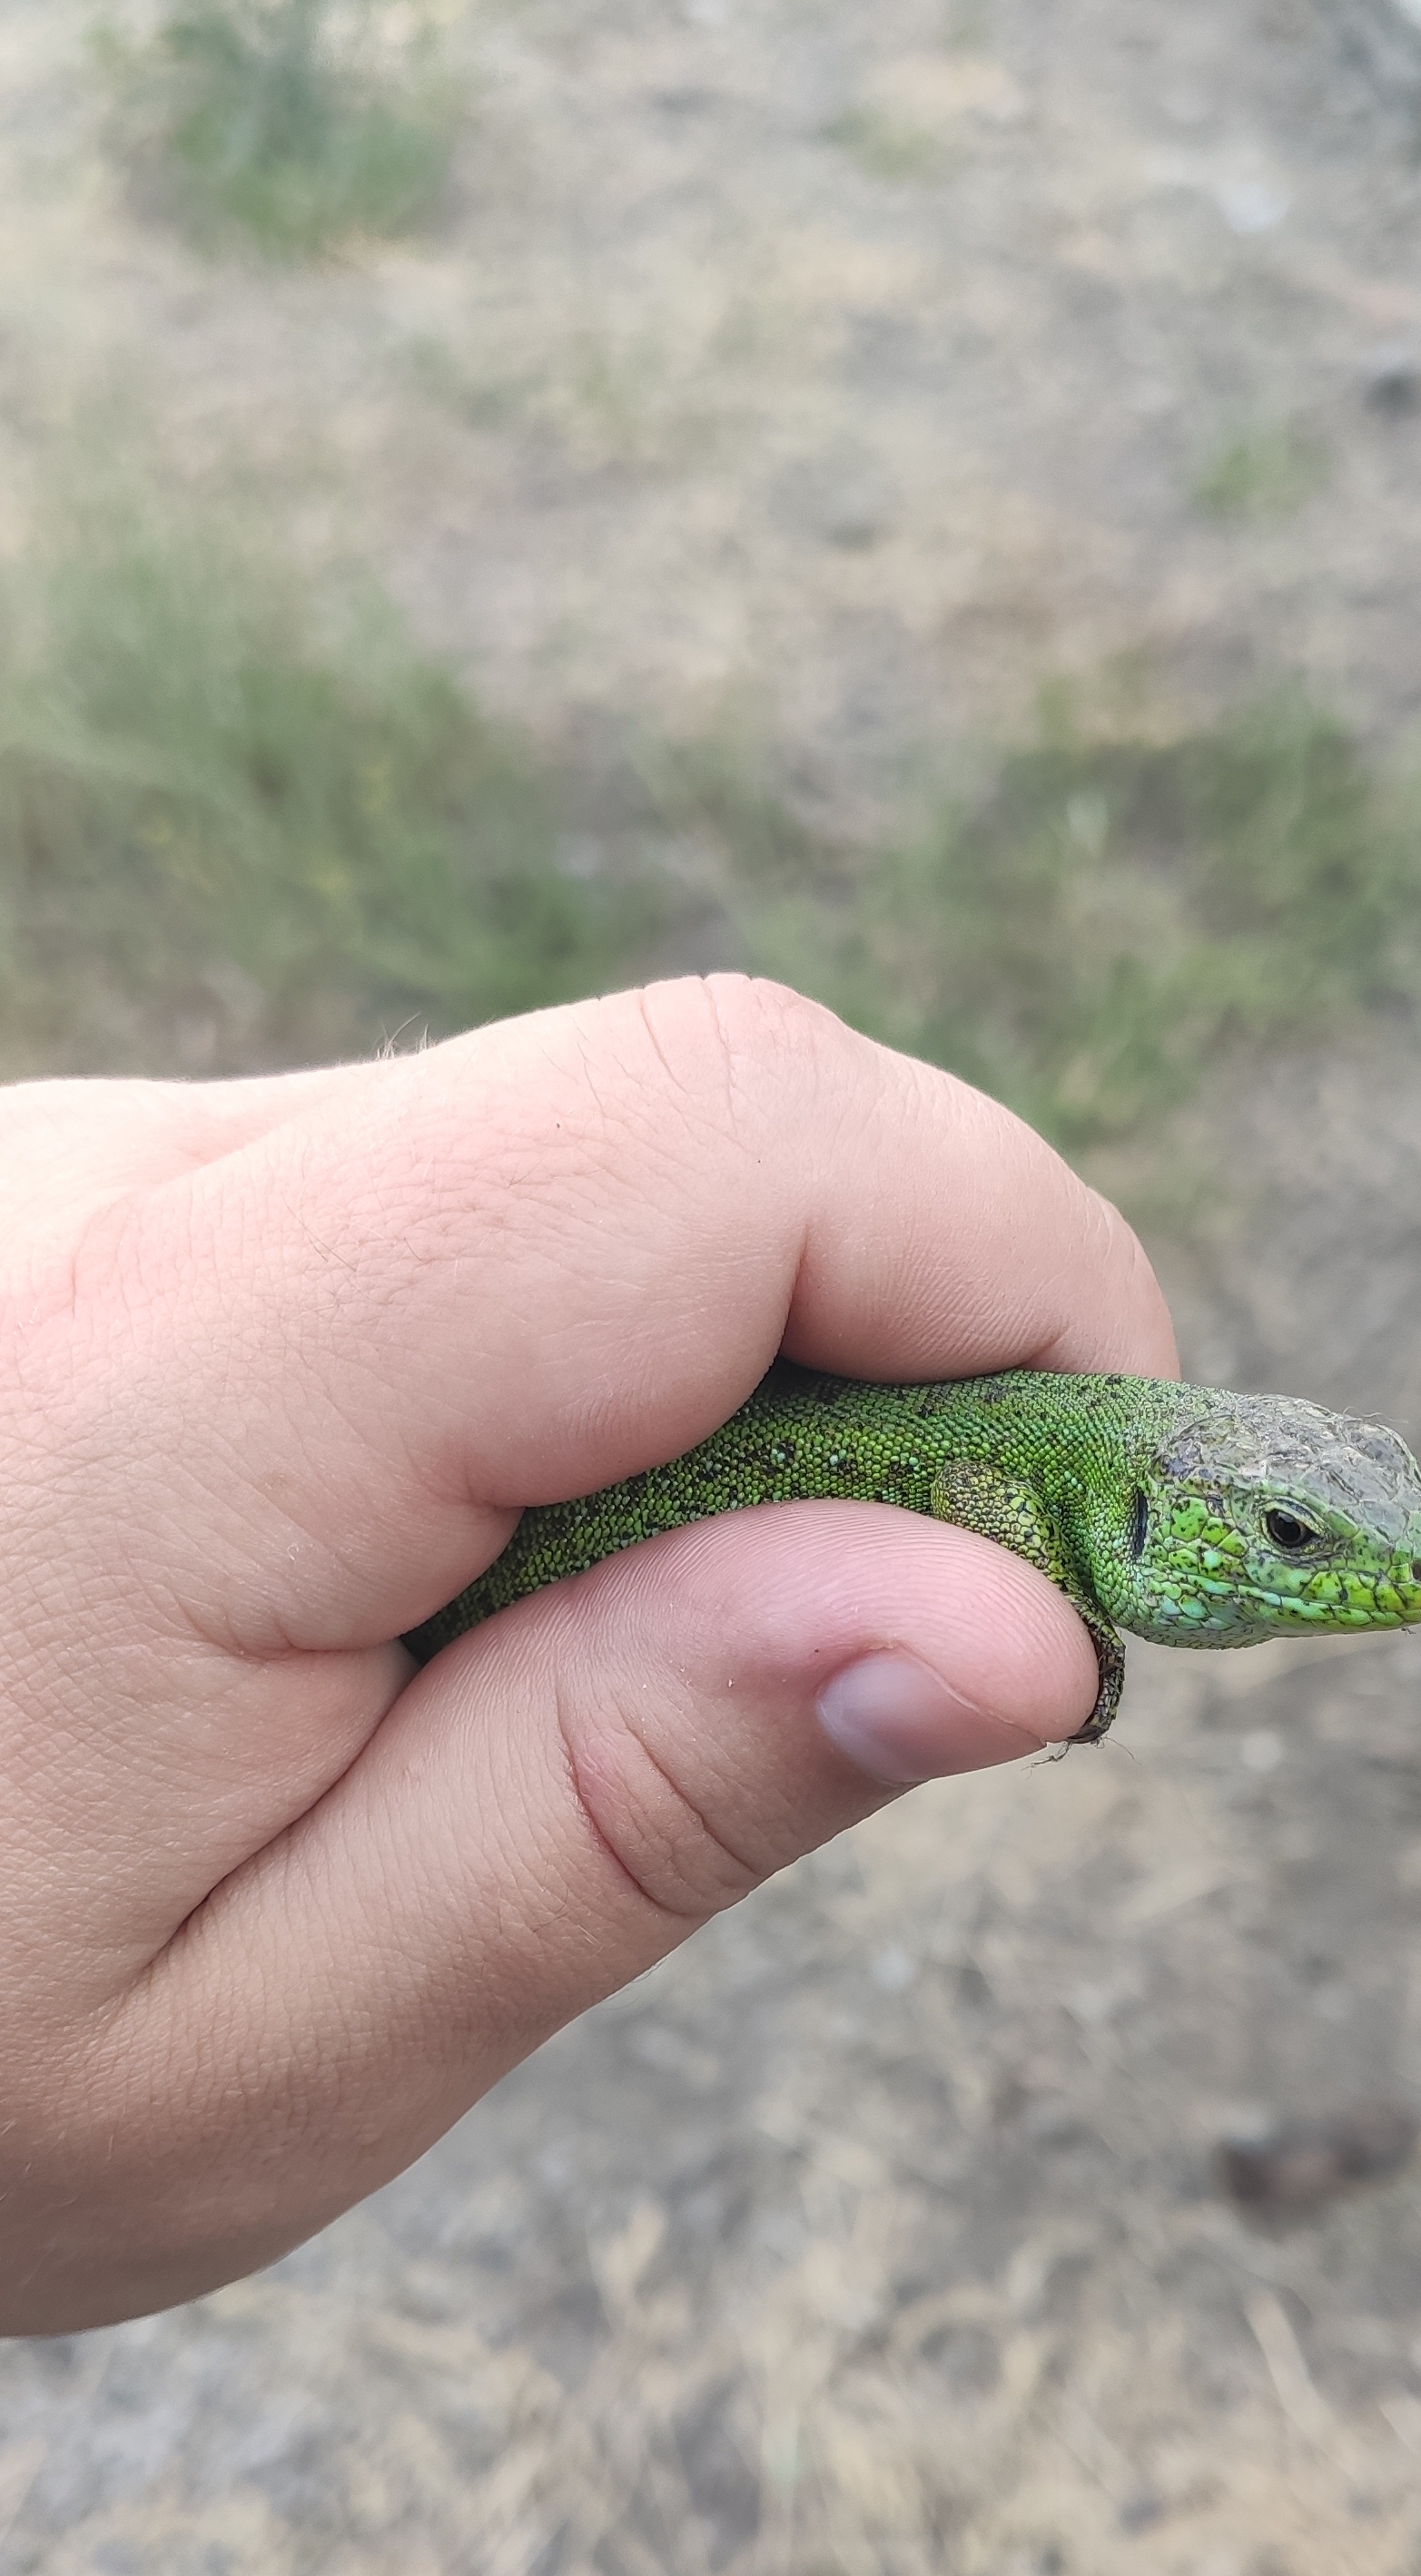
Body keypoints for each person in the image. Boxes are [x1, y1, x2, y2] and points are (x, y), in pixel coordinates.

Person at [0, 978, 1176, 2337]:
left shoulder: (1027, 1475)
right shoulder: (1009, 1492)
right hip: (407, 1634)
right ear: (1152, 1508)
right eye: (1286, 1536)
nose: (1406, 1580)